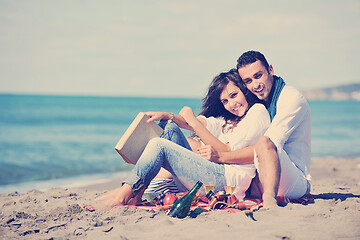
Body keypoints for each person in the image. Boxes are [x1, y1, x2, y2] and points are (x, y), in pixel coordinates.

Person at [94, 69, 270, 210]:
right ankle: (136, 191)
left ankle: (125, 193)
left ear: (244, 91)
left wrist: (193, 121)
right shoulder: (227, 119)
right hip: (212, 173)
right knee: (168, 128)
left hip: (226, 182)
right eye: (225, 101)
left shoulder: (257, 112)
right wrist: (168, 115)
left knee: (160, 145)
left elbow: (225, 151)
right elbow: (193, 124)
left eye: (234, 95)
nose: (231, 104)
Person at [236, 51, 312, 209]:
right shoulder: (258, 102)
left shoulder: (291, 98)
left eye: (258, 75)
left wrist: (222, 156)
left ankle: (269, 200)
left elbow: (270, 145)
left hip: (294, 181)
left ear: (270, 70)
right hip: (261, 172)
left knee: (264, 142)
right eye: (248, 81)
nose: (255, 85)